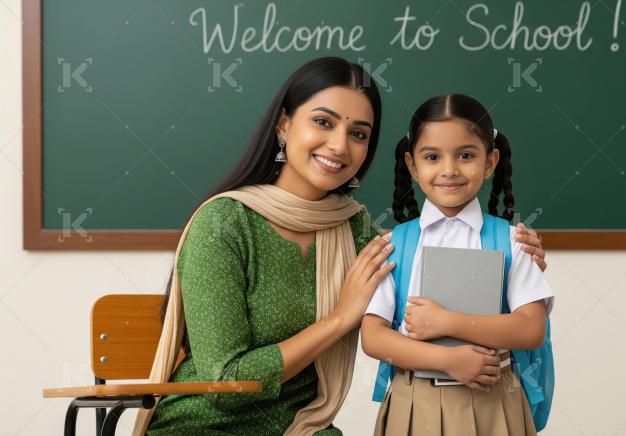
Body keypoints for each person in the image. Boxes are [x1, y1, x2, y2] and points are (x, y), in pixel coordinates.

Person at [134, 58, 547, 435]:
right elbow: (226, 382)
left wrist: (514, 258)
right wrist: (340, 319)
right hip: (206, 426)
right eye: (323, 122)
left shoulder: (357, 231)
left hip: (304, 426)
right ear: (284, 124)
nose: (339, 146)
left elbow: (429, 266)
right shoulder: (224, 224)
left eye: (358, 133)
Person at [362, 94, 554, 436]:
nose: (449, 169)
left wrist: (445, 321)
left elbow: (530, 329)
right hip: (413, 403)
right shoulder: (394, 244)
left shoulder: (514, 240)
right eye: (432, 157)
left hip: (495, 401)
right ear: (412, 166)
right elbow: (373, 337)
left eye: (466, 155)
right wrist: (448, 360)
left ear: (490, 162)